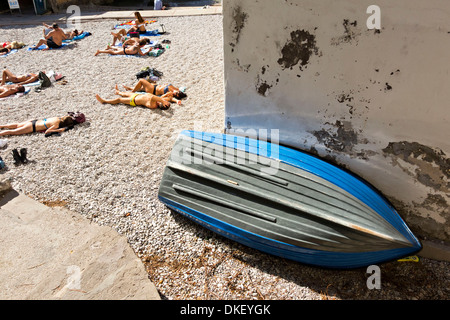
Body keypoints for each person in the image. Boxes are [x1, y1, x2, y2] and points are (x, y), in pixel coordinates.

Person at [0, 112, 86, 137]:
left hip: (34, 121)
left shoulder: (57, 118)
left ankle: (1, 126)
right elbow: (47, 132)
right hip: (32, 127)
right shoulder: (56, 124)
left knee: (17, 125)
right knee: (11, 132)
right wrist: (61, 130)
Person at [95, 85, 172, 110]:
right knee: (125, 93)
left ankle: (104, 101)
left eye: (166, 104)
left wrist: (163, 100)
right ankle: (118, 92)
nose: (166, 102)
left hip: (134, 101)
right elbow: (167, 98)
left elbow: (152, 97)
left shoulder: (154, 105)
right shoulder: (159, 101)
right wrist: (167, 96)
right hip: (137, 96)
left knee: (119, 100)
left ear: (163, 105)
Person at [122, 78, 187, 105]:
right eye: (177, 92)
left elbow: (169, 99)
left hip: (153, 90)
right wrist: (181, 91)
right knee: (141, 88)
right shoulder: (175, 89)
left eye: (176, 94)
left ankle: (132, 91)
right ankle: (130, 88)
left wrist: (177, 100)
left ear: (177, 95)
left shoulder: (170, 94)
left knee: (141, 80)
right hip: (155, 86)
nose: (175, 92)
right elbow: (180, 89)